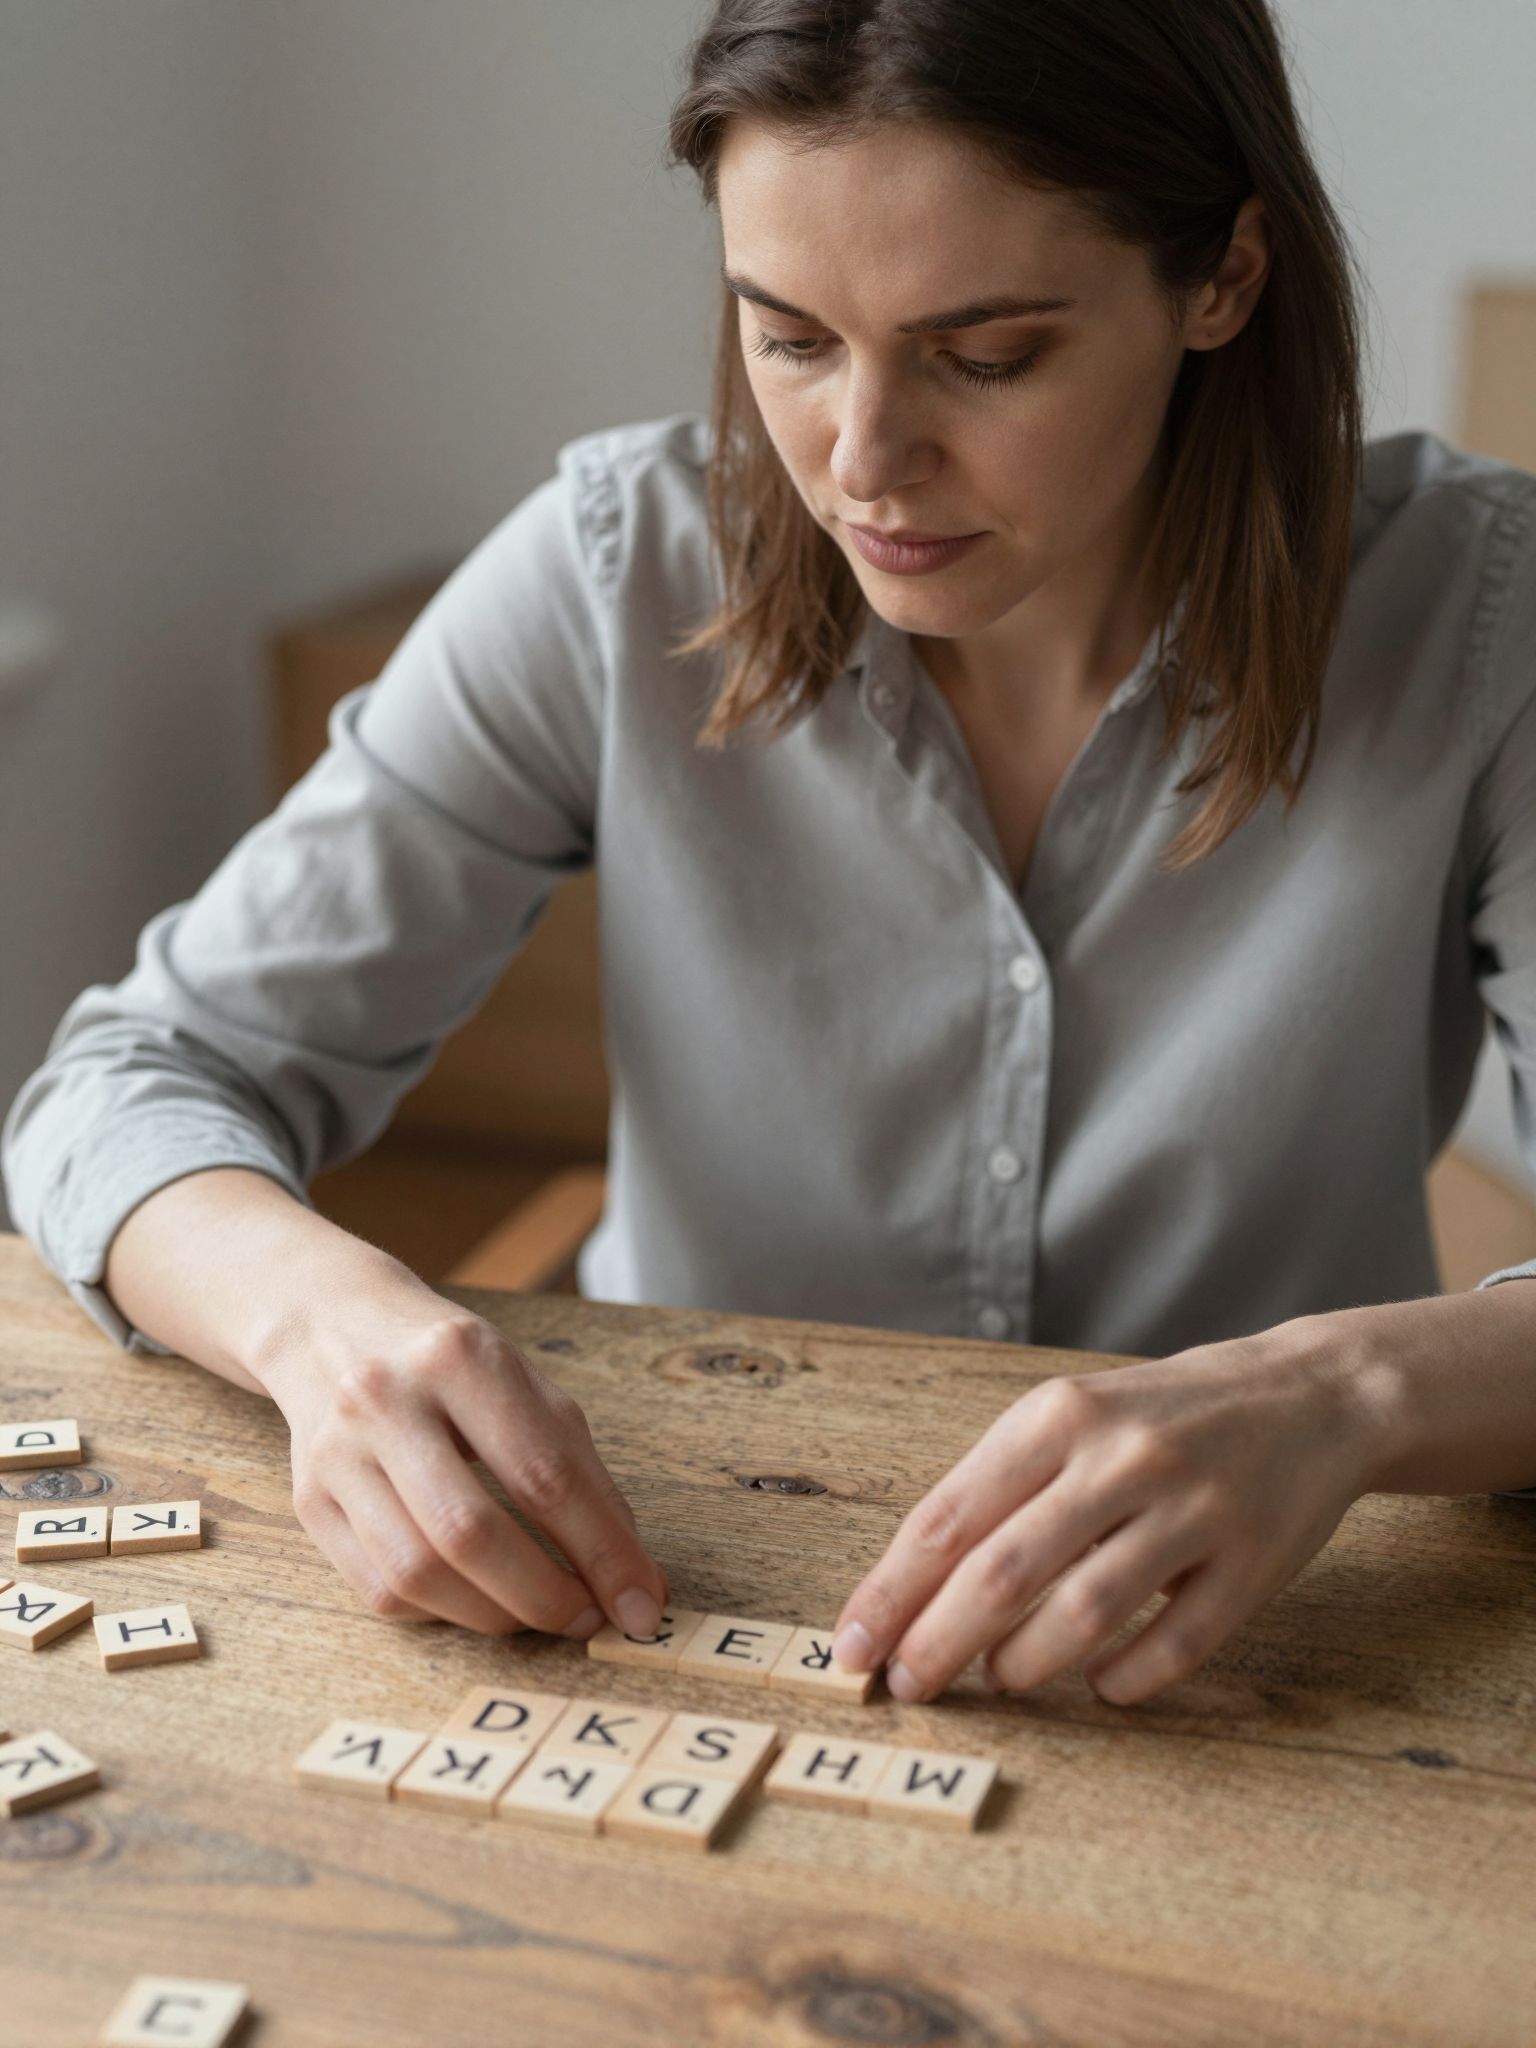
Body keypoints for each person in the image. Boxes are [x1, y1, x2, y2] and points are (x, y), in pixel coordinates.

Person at [5, 0, 1535, 1712]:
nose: (863, 463)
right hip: (677, 1593)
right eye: (789, 338)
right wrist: (322, 1325)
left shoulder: (1487, 622)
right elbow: (129, 1081)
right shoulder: (612, 572)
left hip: (1274, 1649)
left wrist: (1342, 1396)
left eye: (988, 354)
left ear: (1225, 278)